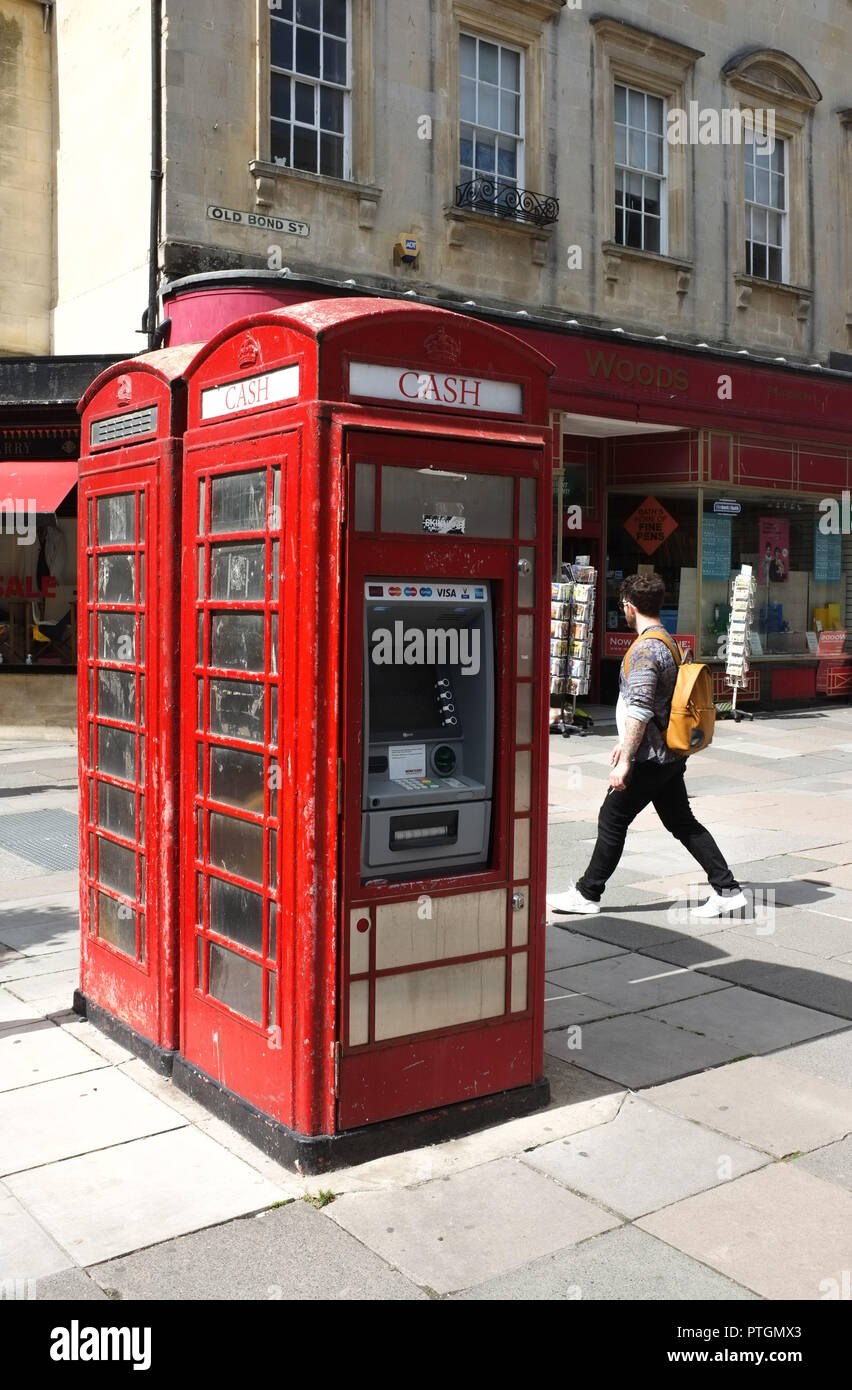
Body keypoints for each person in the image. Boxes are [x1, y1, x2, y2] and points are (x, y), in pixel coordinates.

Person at [548, 572, 748, 920]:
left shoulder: (644, 649)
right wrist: (622, 742)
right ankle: (727, 890)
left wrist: (626, 758)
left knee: (612, 818)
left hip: (650, 757)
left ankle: (587, 893)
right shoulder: (668, 641)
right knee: (682, 822)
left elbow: (640, 708)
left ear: (629, 607)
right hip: (669, 754)